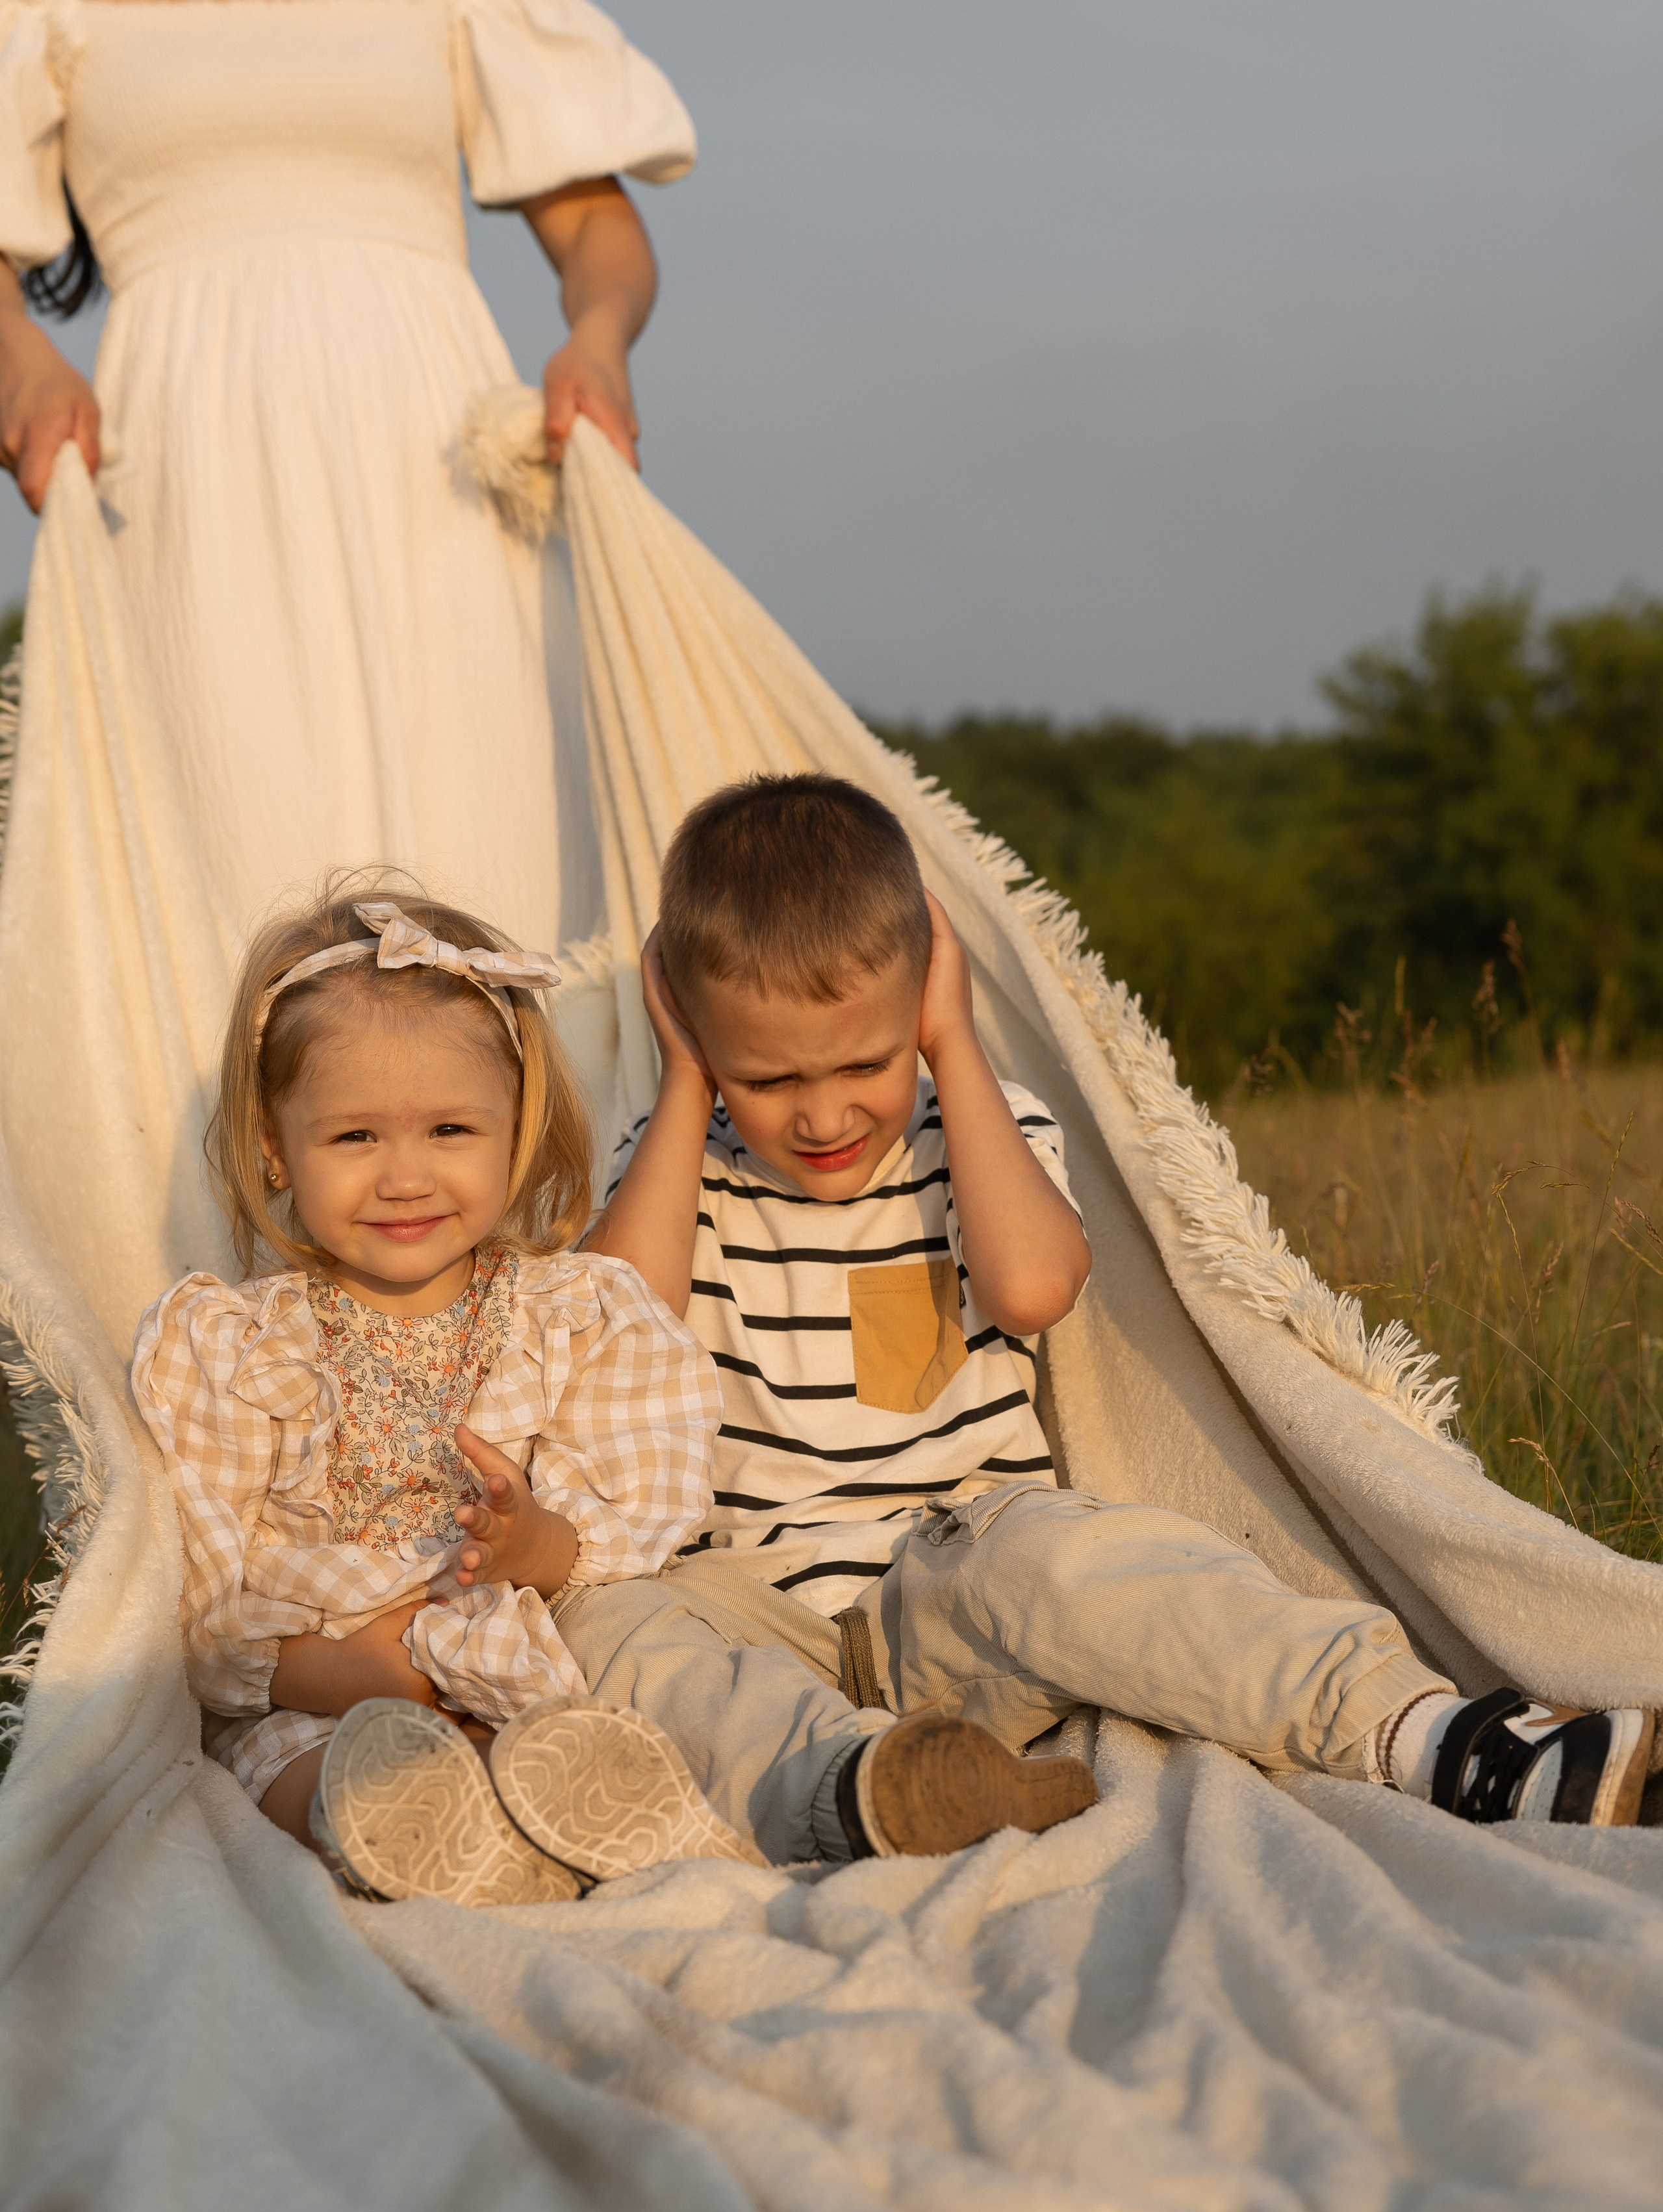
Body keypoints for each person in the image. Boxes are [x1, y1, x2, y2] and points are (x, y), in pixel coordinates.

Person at [565, 772, 1659, 1856]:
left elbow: (1033, 1287)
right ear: (698, 1037)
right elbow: (609, 1331)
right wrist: (688, 1085)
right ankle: (866, 1790)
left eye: (867, 1061)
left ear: (924, 1000)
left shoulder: (977, 1133)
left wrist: (954, 1042)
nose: (822, 1112)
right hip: (757, 1612)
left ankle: (1444, 1743)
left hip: (957, 1585)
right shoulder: (675, 1164)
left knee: (1083, 1557)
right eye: (768, 1079)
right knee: (615, 1619)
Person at [0, 0, 692, 943]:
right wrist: (23, 360)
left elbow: (594, 225)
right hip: (195, 483)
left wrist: (600, 336)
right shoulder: (48, 14)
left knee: (497, 860)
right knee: (237, 864)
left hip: (443, 477)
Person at [131, 878, 760, 1908]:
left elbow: (626, 1522)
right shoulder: (235, 1346)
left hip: (521, 1657)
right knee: (306, 1775)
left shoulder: (569, 1315)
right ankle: (420, 1831)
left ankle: (581, 1816)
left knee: (618, 1680)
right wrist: (346, 1674)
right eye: (355, 1137)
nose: (405, 1177)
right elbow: (199, 1595)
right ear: (274, 1145)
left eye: (451, 1131)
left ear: (516, 1131)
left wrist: (531, 1542)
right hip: (322, 1685)